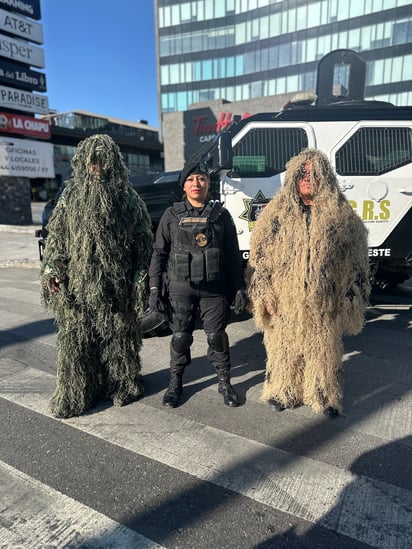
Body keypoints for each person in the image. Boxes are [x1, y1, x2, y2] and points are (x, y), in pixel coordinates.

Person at [247, 148, 370, 416]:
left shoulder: (342, 215)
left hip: (325, 300)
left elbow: (358, 264)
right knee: (283, 348)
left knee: (323, 351)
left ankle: (324, 395)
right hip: (285, 300)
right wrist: (264, 296)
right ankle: (284, 390)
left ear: (324, 178)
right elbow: (260, 258)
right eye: (302, 173)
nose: (307, 178)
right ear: (292, 177)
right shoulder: (276, 214)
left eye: (314, 173)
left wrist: (348, 298)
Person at [40, 134, 153, 419]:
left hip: (116, 287)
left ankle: (123, 384)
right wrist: (52, 269)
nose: (97, 167)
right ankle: (78, 393)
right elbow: (57, 237)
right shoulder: (71, 195)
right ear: (83, 163)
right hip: (78, 287)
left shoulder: (126, 196)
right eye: (92, 162)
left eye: (103, 161)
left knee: (119, 340)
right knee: (76, 343)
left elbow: (143, 240)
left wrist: (140, 275)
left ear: (112, 162)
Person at [148, 162, 247, 408]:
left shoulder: (221, 215)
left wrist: (239, 288)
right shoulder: (171, 215)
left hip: (214, 291)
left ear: (208, 184)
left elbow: (233, 256)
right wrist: (153, 289)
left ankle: (225, 383)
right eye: (191, 179)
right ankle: (175, 384)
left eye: (201, 179)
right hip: (180, 290)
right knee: (180, 338)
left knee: (217, 338)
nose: (196, 184)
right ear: (183, 185)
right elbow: (158, 254)